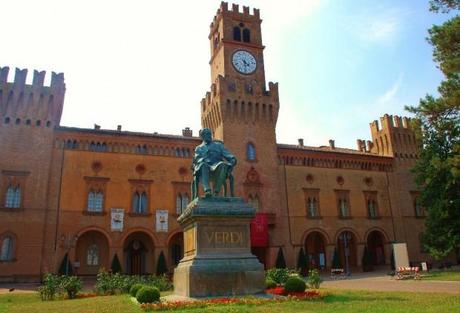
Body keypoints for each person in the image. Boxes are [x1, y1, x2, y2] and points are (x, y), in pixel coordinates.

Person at [191, 128, 236, 198]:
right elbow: (196, 160)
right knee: (203, 165)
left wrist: (232, 160)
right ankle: (207, 190)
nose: (209, 136)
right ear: (202, 136)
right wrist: (204, 158)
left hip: (217, 166)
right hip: (205, 166)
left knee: (223, 164)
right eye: (206, 134)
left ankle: (216, 191)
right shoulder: (199, 148)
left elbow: (229, 155)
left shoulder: (218, 145)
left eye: (209, 134)